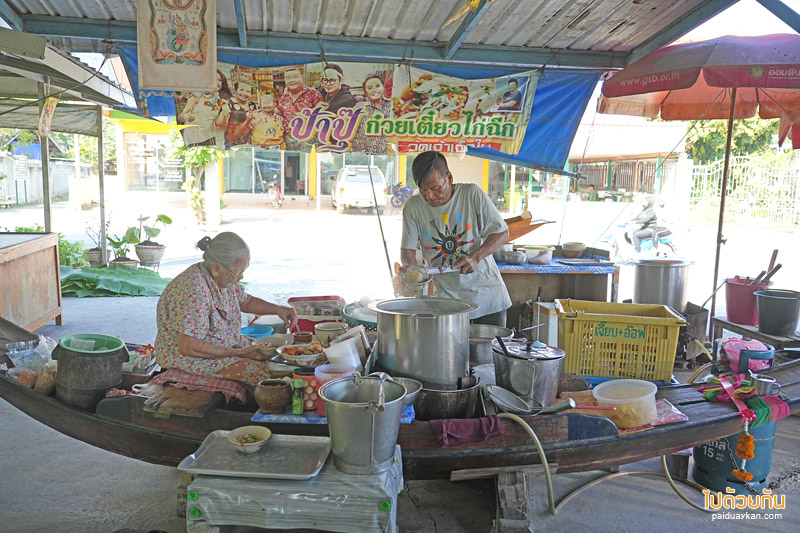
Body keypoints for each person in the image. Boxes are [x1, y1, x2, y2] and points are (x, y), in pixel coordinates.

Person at [155, 232, 298, 386]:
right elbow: (188, 347)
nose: (241, 277)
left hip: (226, 347)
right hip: (189, 359)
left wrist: (278, 309)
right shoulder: (194, 288)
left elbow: (246, 302)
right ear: (216, 268)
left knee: (279, 357)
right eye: (239, 271)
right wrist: (239, 353)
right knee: (267, 373)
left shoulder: (222, 277)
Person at [400, 151, 511, 327]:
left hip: (487, 298)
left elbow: (501, 233)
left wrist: (475, 257)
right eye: (423, 190)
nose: (429, 196)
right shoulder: (413, 207)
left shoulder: (471, 194)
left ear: (449, 178)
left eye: (435, 188)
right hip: (447, 304)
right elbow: (408, 248)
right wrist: (411, 269)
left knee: (488, 354)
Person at [178, 69, 233, 148]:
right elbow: (180, 117)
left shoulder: (221, 101)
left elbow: (222, 125)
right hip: (192, 139)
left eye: (219, 80)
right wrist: (185, 116)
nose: (216, 83)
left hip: (209, 139)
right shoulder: (196, 97)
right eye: (213, 79)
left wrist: (224, 113)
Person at [277, 67, 322, 150]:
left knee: (306, 162)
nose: (291, 80)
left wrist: (308, 116)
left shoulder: (313, 93)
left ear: (302, 77)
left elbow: (322, 116)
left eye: (295, 77)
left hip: (308, 140)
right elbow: (278, 114)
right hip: (288, 140)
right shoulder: (284, 97)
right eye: (288, 78)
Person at [351, 74, 392, 154]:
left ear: (383, 87)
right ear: (366, 92)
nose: (374, 90)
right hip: (367, 155)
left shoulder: (393, 105)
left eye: (377, 86)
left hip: (390, 154)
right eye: (370, 88)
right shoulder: (360, 109)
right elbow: (355, 137)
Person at [218, 80, 254, 149]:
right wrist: (224, 114)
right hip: (231, 144)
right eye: (241, 90)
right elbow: (222, 125)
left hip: (247, 143)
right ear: (236, 90)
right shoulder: (228, 104)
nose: (244, 93)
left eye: (248, 91)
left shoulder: (251, 106)